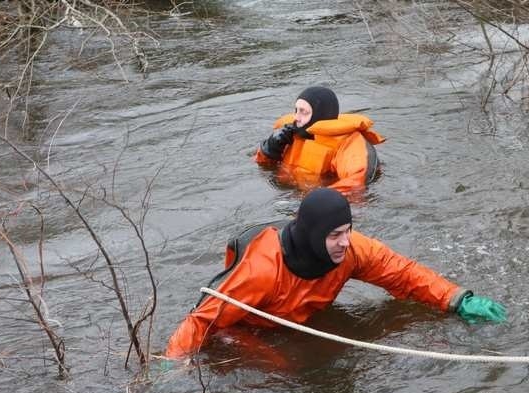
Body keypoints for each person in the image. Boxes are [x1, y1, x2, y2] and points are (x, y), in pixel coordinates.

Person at [166, 188, 506, 359]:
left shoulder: (352, 250)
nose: (345, 242)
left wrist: (457, 299)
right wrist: (171, 367)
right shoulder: (262, 270)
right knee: (284, 371)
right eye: (334, 235)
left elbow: (403, 274)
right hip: (249, 326)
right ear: (313, 234)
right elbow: (201, 320)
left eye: (348, 230)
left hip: (302, 316)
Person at [254, 86, 385, 195]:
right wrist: (269, 149)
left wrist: (313, 203)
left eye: (303, 112)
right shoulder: (290, 134)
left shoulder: (349, 143)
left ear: (320, 114)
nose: (296, 118)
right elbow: (262, 165)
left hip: (321, 202)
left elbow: (355, 184)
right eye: (296, 110)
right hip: (285, 193)